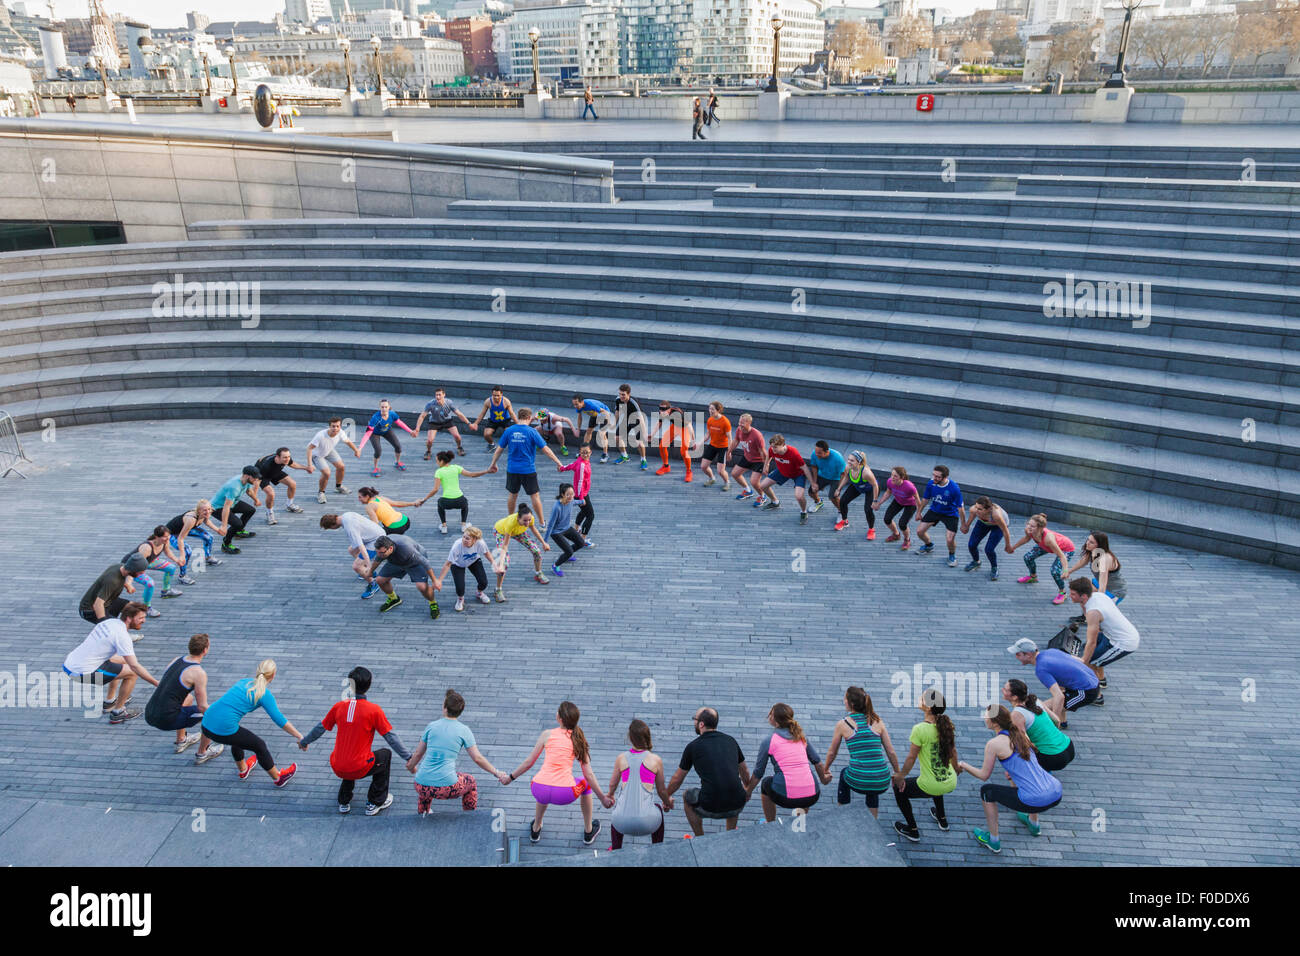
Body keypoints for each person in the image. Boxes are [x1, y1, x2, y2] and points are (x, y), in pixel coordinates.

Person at [298, 666, 412, 816]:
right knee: (385, 755)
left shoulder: (339, 707)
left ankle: (344, 801)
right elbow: (390, 737)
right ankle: (375, 801)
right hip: (359, 767)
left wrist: (304, 742)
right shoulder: (373, 710)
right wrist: (409, 758)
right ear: (369, 686)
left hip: (337, 765)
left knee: (348, 755)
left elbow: (320, 728)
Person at [959, 705, 1063, 853]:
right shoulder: (1020, 733)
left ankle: (993, 841)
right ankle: (1034, 825)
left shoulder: (994, 744)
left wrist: (963, 765)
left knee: (987, 791)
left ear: (994, 722)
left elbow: (984, 775)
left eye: (986, 716)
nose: (984, 718)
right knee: (1022, 780)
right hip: (1056, 792)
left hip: (1036, 799)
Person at [508, 701, 613, 845]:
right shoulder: (578, 740)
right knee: (586, 784)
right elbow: (589, 775)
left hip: (538, 788)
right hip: (565, 794)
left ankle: (536, 828)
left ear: (560, 719)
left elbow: (528, 763)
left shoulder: (546, 734)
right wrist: (603, 798)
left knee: (545, 779)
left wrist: (510, 777)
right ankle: (589, 831)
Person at [200, 659, 301, 787]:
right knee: (259, 745)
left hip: (206, 724)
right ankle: (278, 778)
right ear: (273, 675)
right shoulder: (264, 694)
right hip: (223, 729)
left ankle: (243, 769)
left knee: (237, 737)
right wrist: (299, 735)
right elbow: (279, 720)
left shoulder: (244, 682)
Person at [408, 689, 510, 813]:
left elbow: (418, 753)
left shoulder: (431, 726)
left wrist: (411, 766)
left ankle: (423, 813)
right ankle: (468, 817)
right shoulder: (464, 730)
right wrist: (497, 773)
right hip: (446, 788)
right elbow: (477, 758)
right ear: (460, 711)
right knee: (470, 781)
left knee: (426, 779)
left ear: (445, 707)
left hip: (420, 785)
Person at [62, 602, 159, 724]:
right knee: (132, 673)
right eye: (140, 618)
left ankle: (110, 702)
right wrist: (156, 683)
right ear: (129, 618)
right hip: (81, 672)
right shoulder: (122, 636)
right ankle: (118, 712)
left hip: (70, 663)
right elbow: (135, 666)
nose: (144, 621)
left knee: (122, 661)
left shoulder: (110, 622)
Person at [663, 707, 754, 835]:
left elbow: (678, 779)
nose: (694, 722)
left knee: (687, 796)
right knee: (733, 789)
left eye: (695, 719)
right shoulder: (731, 740)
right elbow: (744, 770)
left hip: (710, 806)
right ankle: (731, 834)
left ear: (701, 724)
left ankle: (700, 837)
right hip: (738, 804)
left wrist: (666, 796)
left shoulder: (693, 747)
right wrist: (747, 790)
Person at [891, 690, 959, 843]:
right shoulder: (947, 725)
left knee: (898, 788)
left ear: (928, 707)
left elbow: (911, 758)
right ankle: (942, 819)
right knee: (934, 774)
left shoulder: (920, 729)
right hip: (950, 781)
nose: (919, 698)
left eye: (922, 698)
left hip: (932, 784)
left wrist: (900, 776)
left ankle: (913, 830)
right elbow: (953, 751)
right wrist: (957, 769)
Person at [145, 633, 224, 763]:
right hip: (165, 719)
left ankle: (181, 740)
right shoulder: (198, 673)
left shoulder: (176, 660)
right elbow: (202, 706)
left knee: (188, 698)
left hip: (150, 712)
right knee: (212, 716)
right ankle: (202, 753)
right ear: (205, 650)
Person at [822, 686, 899, 819]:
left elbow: (832, 753)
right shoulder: (877, 721)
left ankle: (843, 814)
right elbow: (891, 752)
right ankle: (873, 820)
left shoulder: (843, 724)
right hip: (882, 780)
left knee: (844, 774)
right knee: (872, 777)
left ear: (851, 703)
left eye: (845, 698)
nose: (843, 700)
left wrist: (825, 769)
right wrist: (898, 773)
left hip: (859, 780)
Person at [746, 703, 830, 822]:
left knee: (766, 783)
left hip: (785, 797)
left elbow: (758, 773)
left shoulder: (769, 741)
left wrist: (747, 792)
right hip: (812, 795)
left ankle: (770, 823)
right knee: (803, 777)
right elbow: (818, 762)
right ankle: (800, 821)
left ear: (774, 719)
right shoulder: (800, 736)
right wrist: (824, 779)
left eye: (771, 714)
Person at [489, 407, 562, 524]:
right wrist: (558, 462)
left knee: (513, 495)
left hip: (512, 469)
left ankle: (510, 520)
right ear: (529, 417)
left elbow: (499, 450)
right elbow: (546, 450)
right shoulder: (532, 432)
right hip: (528, 469)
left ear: (518, 417)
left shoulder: (509, 431)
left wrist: (493, 464)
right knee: (535, 496)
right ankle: (542, 523)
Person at [606, 719, 672, 850]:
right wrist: (668, 803)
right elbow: (662, 791)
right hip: (648, 823)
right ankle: (657, 849)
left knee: (617, 811)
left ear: (630, 738)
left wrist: (610, 795)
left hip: (621, 823)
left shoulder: (621, 758)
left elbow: (612, 784)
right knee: (658, 807)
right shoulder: (656, 760)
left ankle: (616, 849)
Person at [1007, 638, 1101, 727]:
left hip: (1086, 691)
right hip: (1091, 680)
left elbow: (1059, 697)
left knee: (1040, 709)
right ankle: (1063, 723)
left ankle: (1056, 726)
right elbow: (1080, 661)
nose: (1016, 657)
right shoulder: (1051, 651)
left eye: (1018, 654)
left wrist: (1054, 721)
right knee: (1057, 694)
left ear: (1028, 654)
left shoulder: (1041, 669)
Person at [1068, 578, 1140, 686]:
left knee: (1090, 662)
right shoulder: (1098, 596)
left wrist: (1084, 661)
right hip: (1112, 635)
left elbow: (1091, 642)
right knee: (1093, 654)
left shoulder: (1093, 612)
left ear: (1083, 596)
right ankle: (1101, 679)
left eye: (1073, 594)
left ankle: (1097, 695)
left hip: (1123, 643)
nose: (1070, 596)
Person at [1003, 678, 1075, 772]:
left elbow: (1024, 743)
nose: (1002, 690)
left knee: (1015, 752)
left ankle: (1042, 774)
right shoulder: (1035, 700)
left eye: (1005, 689)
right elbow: (1057, 721)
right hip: (1068, 748)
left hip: (1054, 757)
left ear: (1015, 697)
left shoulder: (1017, 714)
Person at [416, 450, 489, 535]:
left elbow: (435, 489)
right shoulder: (456, 467)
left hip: (446, 503)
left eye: (437, 461)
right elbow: (472, 474)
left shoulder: (439, 472)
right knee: (465, 503)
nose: (436, 463)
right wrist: (486, 471)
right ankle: (464, 525)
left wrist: (424, 499)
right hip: (460, 501)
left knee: (439, 502)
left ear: (442, 461)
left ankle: (444, 527)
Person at [1008, 514, 1076, 604]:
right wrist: (1013, 547)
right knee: (1028, 557)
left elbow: (1061, 555)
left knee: (1055, 571)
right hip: (1045, 545)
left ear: (1040, 528)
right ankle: (1033, 577)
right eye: (1028, 524)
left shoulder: (1049, 539)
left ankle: (1062, 593)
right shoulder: (1029, 530)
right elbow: (1026, 539)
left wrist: (1065, 570)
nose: (1028, 527)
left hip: (1066, 549)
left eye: (1032, 526)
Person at [368, 535, 441, 618]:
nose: (379, 554)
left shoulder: (406, 548)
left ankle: (433, 603)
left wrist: (435, 580)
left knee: (422, 587)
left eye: (381, 553)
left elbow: (425, 563)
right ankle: (394, 599)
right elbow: (377, 559)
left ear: (390, 548)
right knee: (380, 580)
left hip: (415, 563)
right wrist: (370, 572)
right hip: (396, 562)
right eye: (377, 552)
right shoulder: (382, 550)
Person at [319, 511, 387, 599]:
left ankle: (373, 583)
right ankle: (365, 570)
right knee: (351, 550)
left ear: (332, 526)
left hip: (376, 540)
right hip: (373, 534)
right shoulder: (346, 515)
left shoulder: (350, 529)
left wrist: (370, 567)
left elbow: (362, 547)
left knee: (356, 566)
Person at [125, 526, 188, 616]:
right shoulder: (146, 548)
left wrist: (177, 560)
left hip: (147, 563)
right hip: (132, 567)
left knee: (171, 568)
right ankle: (146, 608)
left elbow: (167, 551)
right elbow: (134, 566)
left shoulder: (164, 542)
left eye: (168, 536)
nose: (167, 539)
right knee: (150, 583)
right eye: (165, 537)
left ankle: (166, 591)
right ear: (156, 536)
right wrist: (129, 582)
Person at [491, 505, 551, 598]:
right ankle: (497, 590)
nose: (528, 523)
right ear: (518, 518)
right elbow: (505, 546)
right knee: (504, 565)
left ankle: (538, 573)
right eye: (525, 520)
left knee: (536, 551)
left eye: (529, 520)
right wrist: (501, 564)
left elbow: (534, 529)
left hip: (518, 531)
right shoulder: (511, 523)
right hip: (501, 532)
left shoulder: (530, 518)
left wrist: (544, 543)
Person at [755, 435, 817, 521]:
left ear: (783, 445)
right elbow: (769, 456)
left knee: (799, 496)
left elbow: (805, 468)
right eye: (772, 447)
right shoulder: (772, 450)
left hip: (797, 474)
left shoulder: (793, 453)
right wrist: (766, 465)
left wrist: (813, 483)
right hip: (782, 471)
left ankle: (803, 511)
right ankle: (775, 502)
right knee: (762, 486)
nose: (773, 449)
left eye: (775, 447)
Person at [433, 525, 494, 612]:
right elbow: (447, 564)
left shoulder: (480, 543)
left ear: (475, 540)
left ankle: (479, 593)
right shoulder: (457, 546)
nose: (464, 540)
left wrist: (494, 564)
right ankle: (460, 599)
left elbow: (487, 553)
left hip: (473, 561)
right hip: (458, 564)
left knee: (483, 582)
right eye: (463, 537)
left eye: (467, 538)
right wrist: (439, 581)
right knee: (460, 588)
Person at [916, 464, 966, 567]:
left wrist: (964, 524)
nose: (934, 478)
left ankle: (952, 555)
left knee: (949, 539)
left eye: (938, 477)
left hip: (950, 514)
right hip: (935, 510)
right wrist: (919, 512)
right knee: (919, 531)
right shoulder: (931, 484)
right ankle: (929, 546)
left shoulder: (954, 488)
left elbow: (960, 508)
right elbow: (925, 499)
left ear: (945, 477)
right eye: (934, 475)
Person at [78, 554, 148, 625]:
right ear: (133, 570)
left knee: (135, 609)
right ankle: (120, 633)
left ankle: (121, 632)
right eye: (140, 572)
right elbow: (97, 604)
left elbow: (120, 579)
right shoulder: (112, 581)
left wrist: (127, 585)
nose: (143, 574)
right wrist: (105, 624)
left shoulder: (120, 567)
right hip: (89, 610)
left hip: (108, 600)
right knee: (115, 625)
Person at [306, 416, 361, 504]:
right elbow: (309, 448)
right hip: (317, 455)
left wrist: (356, 450)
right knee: (326, 473)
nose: (335, 428)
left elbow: (348, 442)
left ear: (340, 427)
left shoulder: (341, 432)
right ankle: (321, 493)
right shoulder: (320, 435)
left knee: (341, 466)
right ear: (329, 426)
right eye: (333, 426)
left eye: (337, 426)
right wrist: (310, 465)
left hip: (329, 450)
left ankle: (338, 487)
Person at [356, 399, 416, 477]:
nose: (384, 409)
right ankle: (375, 468)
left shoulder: (392, 414)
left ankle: (398, 462)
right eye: (382, 407)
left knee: (398, 446)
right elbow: (368, 433)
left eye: (385, 407)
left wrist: (410, 431)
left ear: (389, 407)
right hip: (375, 433)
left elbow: (400, 423)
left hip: (387, 430)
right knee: (378, 451)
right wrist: (360, 448)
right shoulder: (375, 418)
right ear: (380, 407)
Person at [1065, 531, 1127, 605]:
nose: (1087, 543)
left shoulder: (1104, 559)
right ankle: (1085, 615)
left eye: (1091, 542)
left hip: (1114, 591)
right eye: (1088, 540)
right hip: (1101, 584)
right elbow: (1083, 562)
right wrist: (1069, 571)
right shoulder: (1093, 552)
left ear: (1099, 545)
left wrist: (1099, 603)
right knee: (1084, 593)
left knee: (1098, 610)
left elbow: (1102, 587)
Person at [251, 447, 308, 524]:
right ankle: (269, 513)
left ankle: (289, 505)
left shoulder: (285, 458)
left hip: (275, 471)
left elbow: (292, 464)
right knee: (271, 494)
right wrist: (255, 499)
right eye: (285, 457)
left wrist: (306, 468)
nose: (287, 459)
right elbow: (257, 482)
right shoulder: (266, 466)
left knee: (292, 484)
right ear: (277, 457)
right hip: (263, 476)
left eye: (288, 457)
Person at [211, 466, 261, 554]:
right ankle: (226, 544)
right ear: (246, 475)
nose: (256, 480)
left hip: (232, 503)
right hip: (218, 507)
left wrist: (256, 500)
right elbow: (226, 507)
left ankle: (238, 531)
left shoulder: (247, 481)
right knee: (237, 523)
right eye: (254, 478)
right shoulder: (234, 487)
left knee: (250, 510)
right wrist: (224, 526)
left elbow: (249, 491)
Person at [166, 500, 224, 573]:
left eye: (209, 509)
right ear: (199, 511)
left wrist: (218, 530)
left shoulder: (205, 513)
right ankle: (182, 576)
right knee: (188, 551)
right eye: (205, 510)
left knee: (208, 537)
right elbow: (180, 538)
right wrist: (182, 555)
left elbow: (206, 521)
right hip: (172, 533)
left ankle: (208, 558)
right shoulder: (191, 519)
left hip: (185, 528)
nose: (208, 511)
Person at [962, 495, 1013, 579]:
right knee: (972, 545)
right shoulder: (973, 509)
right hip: (983, 523)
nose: (976, 510)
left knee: (989, 549)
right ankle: (976, 562)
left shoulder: (996, 515)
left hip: (998, 526)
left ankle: (994, 567)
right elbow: (971, 518)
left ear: (988, 509)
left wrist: (1008, 545)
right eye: (976, 507)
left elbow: (1005, 530)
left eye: (980, 509)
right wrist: (966, 526)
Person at [541, 483, 587, 578]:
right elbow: (550, 525)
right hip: (556, 532)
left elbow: (575, 502)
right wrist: (544, 542)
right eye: (568, 494)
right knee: (569, 551)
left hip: (566, 528)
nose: (571, 496)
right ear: (562, 494)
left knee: (581, 543)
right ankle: (555, 566)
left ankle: (566, 554)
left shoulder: (571, 500)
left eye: (572, 494)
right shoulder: (557, 507)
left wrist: (582, 501)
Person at [415, 388, 475, 459]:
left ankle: (459, 447)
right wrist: (417, 428)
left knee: (457, 436)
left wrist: (469, 423)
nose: (438, 397)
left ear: (444, 395)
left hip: (447, 421)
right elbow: (422, 416)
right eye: (436, 395)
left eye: (439, 395)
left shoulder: (449, 403)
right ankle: (428, 451)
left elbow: (459, 414)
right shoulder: (430, 404)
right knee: (430, 440)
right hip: (434, 422)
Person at [833, 449, 879, 537]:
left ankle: (871, 529)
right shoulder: (848, 467)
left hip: (870, 489)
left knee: (868, 510)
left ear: (859, 462)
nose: (849, 462)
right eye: (848, 459)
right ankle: (844, 521)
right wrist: (839, 489)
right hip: (857, 486)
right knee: (843, 501)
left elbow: (875, 485)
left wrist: (875, 501)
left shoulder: (866, 473)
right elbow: (846, 477)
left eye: (852, 460)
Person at [874, 465, 920, 550]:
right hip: (898, 501)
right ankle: (896, 535)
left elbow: (917, 498)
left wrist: (919, 513)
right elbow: (888, 493)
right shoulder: (889, 482)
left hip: (910, 504)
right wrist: (879, 503)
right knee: (887, 519)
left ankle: (907, 540)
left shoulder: (909, 487)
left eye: (895, 476)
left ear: (901, 477)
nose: (892, 478)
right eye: (891, 475)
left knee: (902, 524)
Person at [648, 402, 694, 481]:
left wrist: (693, 440)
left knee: (683, 451)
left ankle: (689, 471)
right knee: (662, 446)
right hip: (675, 427)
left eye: (664, 410)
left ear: (669, 409)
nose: (661, 411)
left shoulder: (677, 414)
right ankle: (666, 467)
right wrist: (652, 435)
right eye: (660, 409)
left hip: (685, 429)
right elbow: (659, 423)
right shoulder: (662, 413)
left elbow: (689, 425)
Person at [728, 413, 767, 503]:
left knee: (754, 482)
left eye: (743, 423)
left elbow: (763, 451)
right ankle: (748, 491)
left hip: (758, 460)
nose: (740, 425)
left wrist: (766, 465)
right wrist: (729, 452)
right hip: (747, 457)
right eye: (739, 422)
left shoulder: (757, 435)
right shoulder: (739, 430)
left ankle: (763, 496)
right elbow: (736, 440)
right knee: (735, 474)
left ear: (749, 423)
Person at [559, 445, 595, 540]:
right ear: (579, 452)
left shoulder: (581, 461)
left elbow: (571, 465)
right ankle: (582, 539)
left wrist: (562, 468)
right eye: (583, 452)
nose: (585, 454)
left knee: (584, 511)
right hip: (581, 494)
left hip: (582, 492)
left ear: (591, 452)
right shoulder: (582, 464)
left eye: (587, 452)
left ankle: (576, 528)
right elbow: (580, 482)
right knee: (590, 515)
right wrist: (581, 498)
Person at [611, 384, 649, 468]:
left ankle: (643, 459)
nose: (621, 396)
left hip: (636, 420)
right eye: (620, 394)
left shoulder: (633, 403)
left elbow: (641, 419)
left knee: (640, 443)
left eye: (623, 394)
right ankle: (625, 456)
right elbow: (617, 411)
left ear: (629, 394)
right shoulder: (618, 399)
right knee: (617, 438)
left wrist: (644, 434)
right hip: (625, 419)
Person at [470, 385, 516, 450]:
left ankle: (511, 445)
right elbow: (482, 414)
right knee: (486, 434)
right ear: (492, 394)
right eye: (494, 395)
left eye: (498, 395)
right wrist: (475, 423)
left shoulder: (506, 401)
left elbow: (512, 413)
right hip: (493, 421)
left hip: (505, 420)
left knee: (509, 433)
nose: (496, 397)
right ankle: (492, 445)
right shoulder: (488, 401)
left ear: (501, 394)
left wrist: (519, 424)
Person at [571, 393, 613, 463]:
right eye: (574, 404)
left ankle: (605, 454)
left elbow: (604, 412)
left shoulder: (590, 405)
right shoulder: (579, 407)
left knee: (601, 434)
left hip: (604, 414)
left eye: (576, 404)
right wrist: (578, 429)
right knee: (588, 432)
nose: (575, 406)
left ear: (582, 402)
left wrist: (608, 423)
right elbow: (579, 418)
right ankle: (584, 450)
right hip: (594, 415)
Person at [806, 440, 844, 517]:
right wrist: (814, 482)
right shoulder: (815, 454)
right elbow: (814, 467)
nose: (817, 455)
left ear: (827, 451)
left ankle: (842, 512)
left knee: (833, 497)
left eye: (819, 453)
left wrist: (838, 489)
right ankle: (818, 502)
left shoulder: (838, 458)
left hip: (835, 478)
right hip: (822, 475)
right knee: (811, 492)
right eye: (816, 452)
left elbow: (843, 474)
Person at [700, 401, 732, 488]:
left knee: (720, 471)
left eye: (712, 409)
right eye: (709, 408)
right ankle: (712, 478)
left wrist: (729, 452)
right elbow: (708, 434)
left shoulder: (725, 422)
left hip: (723, 447)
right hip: (713, 445)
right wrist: (700, 442)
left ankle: (727, 482)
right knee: (703, 466)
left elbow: (729, 438)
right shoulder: (710, 420)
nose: (710, 411)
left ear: (718, 410)